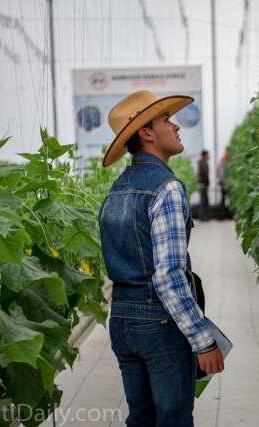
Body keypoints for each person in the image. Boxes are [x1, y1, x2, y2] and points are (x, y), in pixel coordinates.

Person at [98, 90, 224, 427]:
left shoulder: (116, 189)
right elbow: (168, 276)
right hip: (159, 324)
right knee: (173, 420)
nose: (176, 126)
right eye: (167, 120)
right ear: (147, 133)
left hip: (121, 320)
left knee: (140, 418)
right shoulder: (166, 188)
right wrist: (203, 341)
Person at [197, 150, 210, 221]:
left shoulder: (201, 162)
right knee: (204, 200)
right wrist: (208, 182)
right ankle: (203, 216)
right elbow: (205, 173)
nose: (209, 156)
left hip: (202, 183)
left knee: (204, 200)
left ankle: (203, 216)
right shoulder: (204, 163)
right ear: (205, 155)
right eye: (208, 155)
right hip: (204, 184)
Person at [216, 152, 229, 219]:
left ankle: (221, 215)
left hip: (223, 181)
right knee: (223, 198)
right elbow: (223, 172)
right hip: (224, 182)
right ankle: (220, 215)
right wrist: (224, 182)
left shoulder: (223, 158)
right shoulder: (225, 160)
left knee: (223, 198)